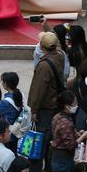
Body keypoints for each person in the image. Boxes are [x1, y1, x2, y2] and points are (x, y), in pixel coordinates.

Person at [28, 32, 65, 172]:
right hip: (55, 106)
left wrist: (33, 110)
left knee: (39, 143)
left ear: (42, 46)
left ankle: (37, 168)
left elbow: (38, 91)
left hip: (45, 109)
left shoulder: (44, 66)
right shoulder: (60, 56)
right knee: (52, 141)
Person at [49, 90, 87, 172]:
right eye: (74, 103)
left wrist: (77, 133)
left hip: (55, 157)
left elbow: (64, 134)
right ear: (67, 106)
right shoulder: (65, 123)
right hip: (63, 160)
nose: (76, 105)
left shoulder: (57, 116)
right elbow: (71, 145)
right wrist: (83, 136)